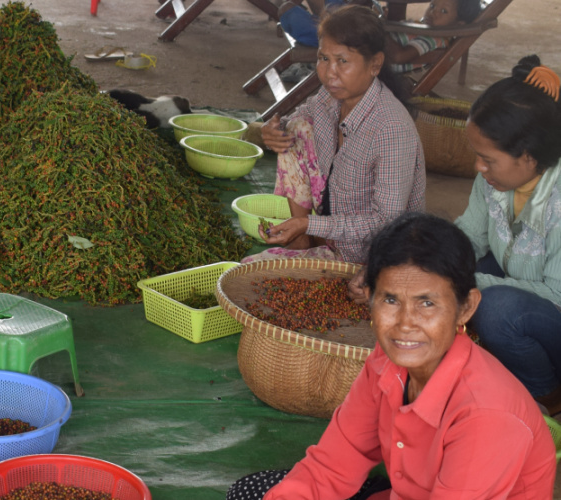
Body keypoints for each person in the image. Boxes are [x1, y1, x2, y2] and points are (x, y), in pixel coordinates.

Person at [228, 212, 557, 499]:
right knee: (253, 491)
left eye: (427, 303)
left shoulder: (486, 415)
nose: (405, 324)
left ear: (465, 308)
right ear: (369, 299)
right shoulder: (386, 364)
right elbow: (333, 464)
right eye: (390, 300)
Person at [244, 5, 426, 265]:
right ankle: (301, 241)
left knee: (250, 272)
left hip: (370, 257)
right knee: (297, 127)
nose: (330, 72)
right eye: (323, 58)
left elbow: (387, 223)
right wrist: (274, 130)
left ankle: (311, 239)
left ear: (375, 64)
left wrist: (311, 224)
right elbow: (299, 117)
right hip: (333, 227)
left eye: (343, 61)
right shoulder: (332, 97)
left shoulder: (392, 129)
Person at [453, 55, 561, 415]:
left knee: (496, 308)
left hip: (555, 307)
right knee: (454, 258)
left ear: (528, 157)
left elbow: (556, 294)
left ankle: (545, 390)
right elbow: (471, 231)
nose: (478, 167)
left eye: (487, 159)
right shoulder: (495, 178)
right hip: (524, 286)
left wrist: (471, 282)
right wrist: (435, 262)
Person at [385, 0, 481, 74]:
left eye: (444, 11)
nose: (433, 12)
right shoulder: (425, 29)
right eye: (432, 5)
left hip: (378, 63)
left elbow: (398, 57)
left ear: (458, 25)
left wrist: (380, 28)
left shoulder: (433, 39)